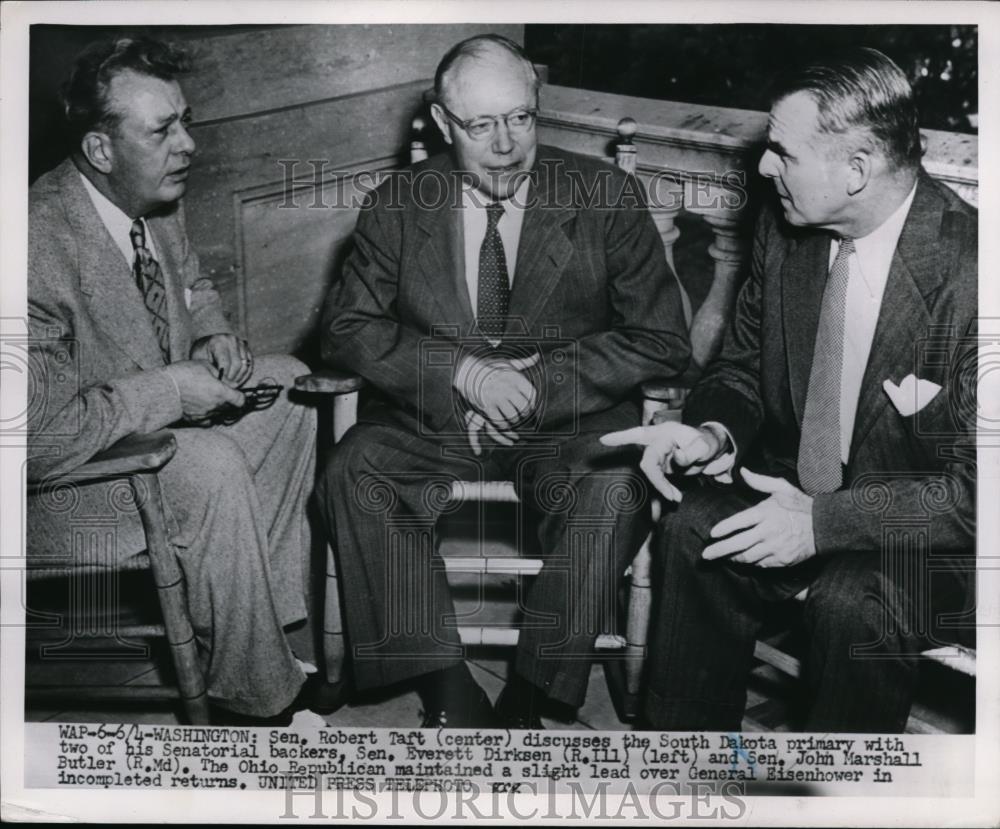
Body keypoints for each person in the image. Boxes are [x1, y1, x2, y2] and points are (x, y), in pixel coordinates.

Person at [316, 34, 690, 728]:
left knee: (616, 485)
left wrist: (539, 382)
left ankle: (532, 691)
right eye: (481, 124)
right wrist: (460, 374)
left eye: (520, 117)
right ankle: (446, 684)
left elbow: (662, 337)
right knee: (355, 469)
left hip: (566, 424)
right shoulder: (399, 202)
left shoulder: (604, 195)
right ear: (440, 119)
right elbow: (345, 326)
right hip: (433, 417)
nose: (506, 144)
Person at [604, 48, 976, 733]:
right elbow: (740, 367)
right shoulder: (787, 232)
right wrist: (715, 432)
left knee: (851, 599)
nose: (763, 166)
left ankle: (834, 799)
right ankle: (687, 769)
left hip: (926, 535)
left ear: (856, 171)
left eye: (782, 152)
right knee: (692, 527)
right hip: (793, 482)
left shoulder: (976, 272)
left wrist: (822, 522)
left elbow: (980, 494)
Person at [27, 37, 319, 724]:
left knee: (292, 389)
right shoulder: (32, 243)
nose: (187, 144)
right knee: (211, 461)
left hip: (134, 440)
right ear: (101, 150)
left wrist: (212, 332)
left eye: (185, 121)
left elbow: (189, 279)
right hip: (54, 493)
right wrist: (170, 389)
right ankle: (260, 701)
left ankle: (254, 637)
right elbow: (35, 438)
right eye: (163, 130)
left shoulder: (151, 195)